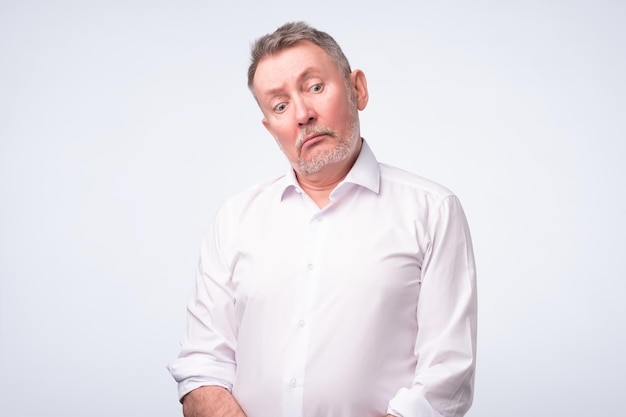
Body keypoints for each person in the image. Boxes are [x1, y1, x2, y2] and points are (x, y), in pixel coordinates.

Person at [168, 21, 477, 417]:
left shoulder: (432, 210)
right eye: (279, 106)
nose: (301, 114)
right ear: (270, 128)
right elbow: (201, 365)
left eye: (314, 87)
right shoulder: (234, 219)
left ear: (357, 89)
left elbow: (445, 378)